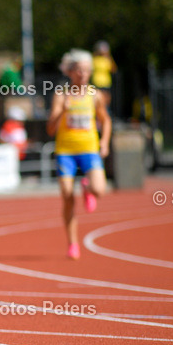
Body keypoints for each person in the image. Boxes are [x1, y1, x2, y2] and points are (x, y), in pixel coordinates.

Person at [47, 50, 111, 260]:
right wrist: (61, 111)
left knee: (99, 190)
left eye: (86, 70)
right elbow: (50, 129)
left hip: (89, 149)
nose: (83, 74)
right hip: (65, 151)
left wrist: (104, 142)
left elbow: (106, 120)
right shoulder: (61, 95)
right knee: (67, 196)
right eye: (78, 70)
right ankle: (73, 243)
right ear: (70, 72)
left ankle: (87, 187)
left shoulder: (95, 95)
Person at [91, 40, 118, 111]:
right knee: (97, 99)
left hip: (106, 82)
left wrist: (109, 56)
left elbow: (114, 69)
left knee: (106, 100)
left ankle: (106, 111)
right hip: (96, 82)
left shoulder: (107, 59)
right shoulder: (94, 59)